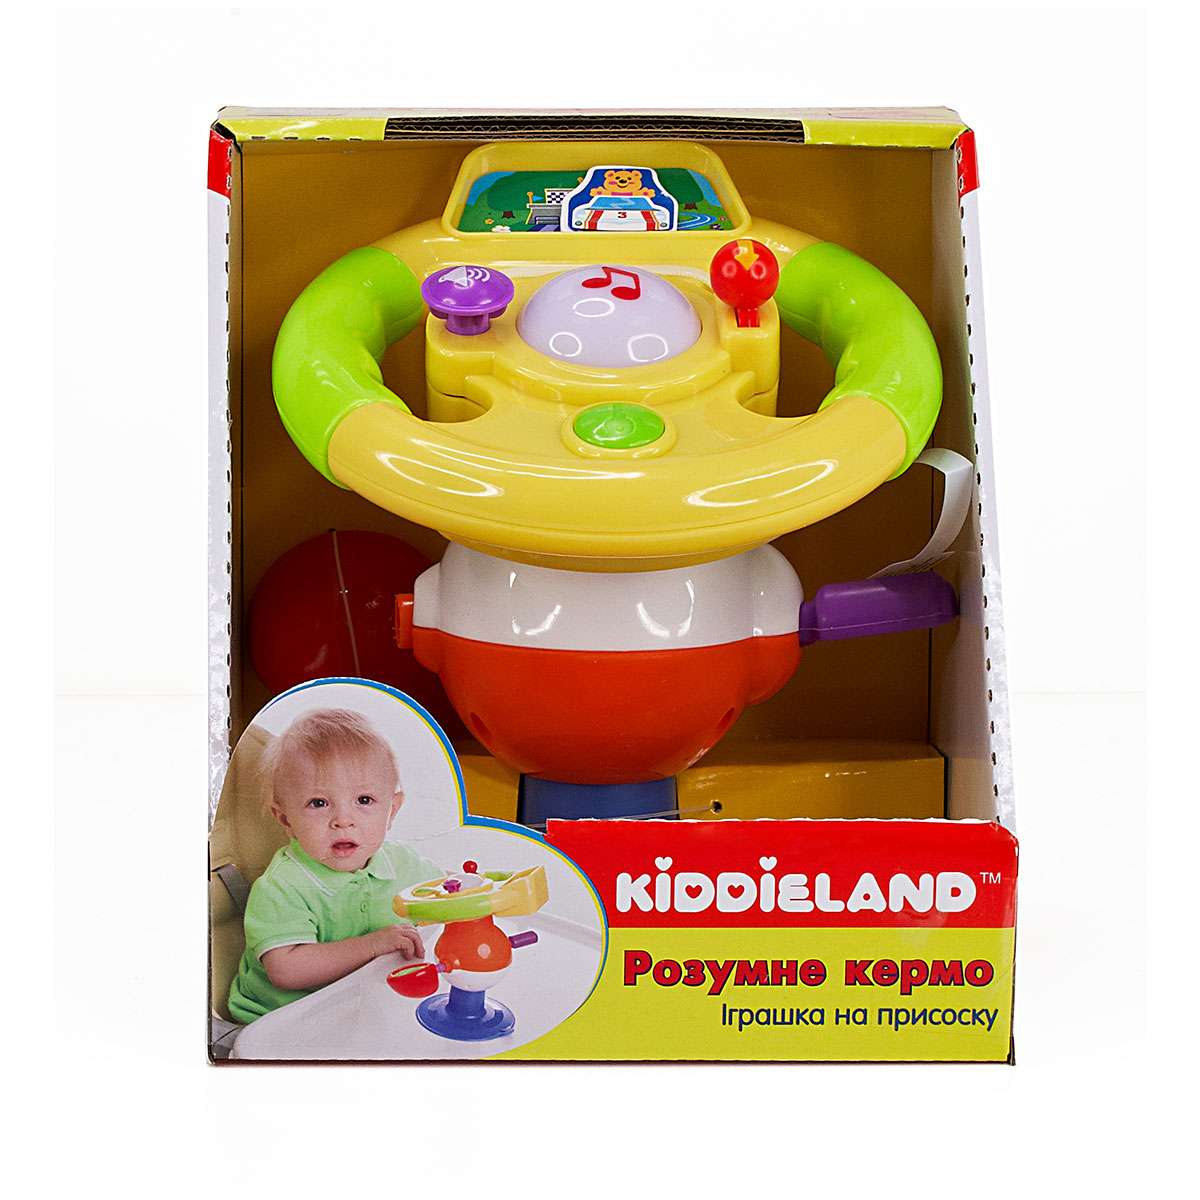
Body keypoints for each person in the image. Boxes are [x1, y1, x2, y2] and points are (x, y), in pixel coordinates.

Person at [228, 708, 440, 1022]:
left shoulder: (403, 863)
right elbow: (286, 970)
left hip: (359, 1005)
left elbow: (444, 898)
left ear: (392, 810)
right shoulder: (284, 885)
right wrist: (372, 945)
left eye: (364, 800)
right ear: (285, 819)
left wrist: (475, 895)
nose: (343, 820)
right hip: (283, 1019)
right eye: (319, 803)